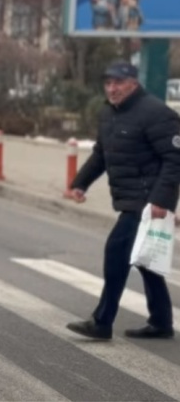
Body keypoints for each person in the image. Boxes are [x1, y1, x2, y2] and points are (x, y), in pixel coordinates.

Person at [65, 61, 179, 340]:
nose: (112, 89)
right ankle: (161, 321)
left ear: (133, 83)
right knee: (143, 259)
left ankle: (102, 322)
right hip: (130, 197)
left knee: (117, 252)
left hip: (147, 200)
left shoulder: (155, 113)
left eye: (118, 83)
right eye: (108, 83)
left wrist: (161, 200)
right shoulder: (109, 113)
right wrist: (80, 183)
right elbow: (101, 153)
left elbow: (174, 159)